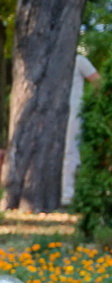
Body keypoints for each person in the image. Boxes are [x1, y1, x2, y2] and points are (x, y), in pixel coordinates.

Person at [63, 52, 100, 207]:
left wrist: (92, 106)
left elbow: (98, 82)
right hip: (53, 112)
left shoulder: (79, 60)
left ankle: (67, 195)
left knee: (70, 150)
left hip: (73, 111)